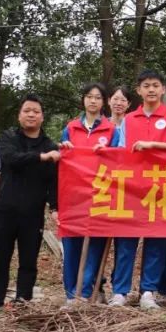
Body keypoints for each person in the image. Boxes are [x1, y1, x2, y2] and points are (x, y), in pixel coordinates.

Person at [111, 69, 166, 310]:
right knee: (126, 242)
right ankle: (120, 292)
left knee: (156, 242)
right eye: (146, 85)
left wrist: (153, 145)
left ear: (163, 89)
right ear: (139, 91)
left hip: (163, 188)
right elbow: (122, 152)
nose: (151, 89)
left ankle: (148, 291)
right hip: (133, 189)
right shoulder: (129, 120)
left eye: (156, 85)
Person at [0, 94, 59, 307]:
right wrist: (41, 157)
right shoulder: (8, 138)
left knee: (28, 261)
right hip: (4, 210)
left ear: (42, 117)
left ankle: (22, 302)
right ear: (19, 115)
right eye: (27, 110)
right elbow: (11, 159)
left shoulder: (49, 145)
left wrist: (54, 206)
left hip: (32, 213)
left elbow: (53, 181)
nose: (31, 115)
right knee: (0, 259)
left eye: (36, 111)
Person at [59, 83, 118, 304]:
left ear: (104, 102)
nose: (92, 101)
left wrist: (109, 153)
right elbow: (63, 160)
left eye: (97, 97)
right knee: (71, 246)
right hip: (73, 196)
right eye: (89, 97)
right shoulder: (71, 128)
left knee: (94, 245)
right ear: (83, 100)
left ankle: (83, 293)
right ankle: (69, 293)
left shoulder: (112, 130)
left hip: (100, 196)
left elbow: (118, 161)